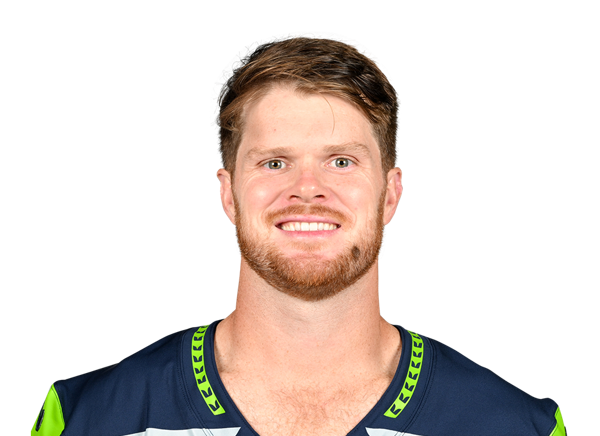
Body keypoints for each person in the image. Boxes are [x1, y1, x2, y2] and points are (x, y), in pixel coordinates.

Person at [31, 34, 566, 436]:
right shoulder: (82, 418)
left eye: (341, 161)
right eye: (274, 162)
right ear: (228, 194)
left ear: (391, 194)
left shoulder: (520, 426)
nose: (307, 190)